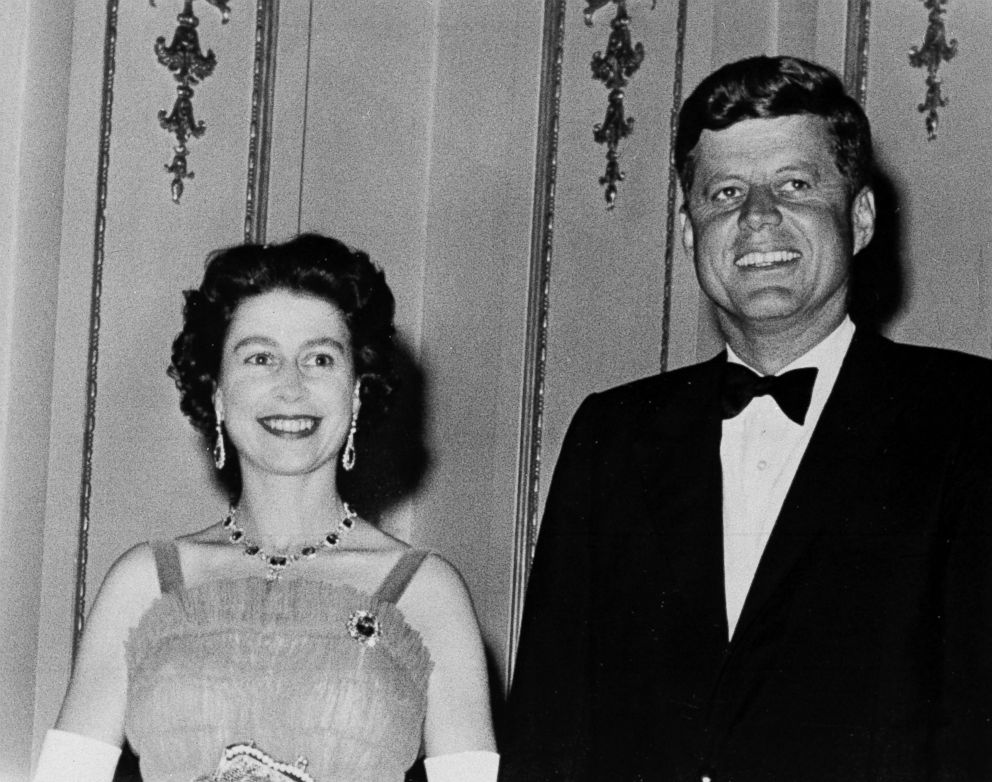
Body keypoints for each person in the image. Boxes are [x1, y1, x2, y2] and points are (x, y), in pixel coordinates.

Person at [500, 56, 992, 781]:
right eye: (725, 192)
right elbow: (549, 728)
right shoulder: (614, 434)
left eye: (795, 184)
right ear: (689, 227)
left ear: (859, 218)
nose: (757, 217)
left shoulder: (969, 417)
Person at [34, 233, 499, 782]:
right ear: (218, 392)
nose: (291, 387)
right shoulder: (145, 582)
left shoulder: (427, 591)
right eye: (260, 358)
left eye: (320, 359)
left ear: (356, 391)